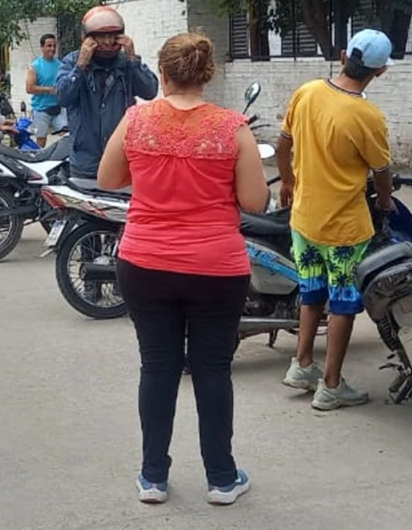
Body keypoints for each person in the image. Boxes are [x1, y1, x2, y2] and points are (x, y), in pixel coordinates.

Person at [98, 33, 269, 506]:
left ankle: (153, 477)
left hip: (146, 262)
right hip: (216, 266)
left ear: (164, 72)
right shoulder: (232, 127)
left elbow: (108, 178)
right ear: (207, 74)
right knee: (213, 370)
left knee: (158, 366)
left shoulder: (136, 121)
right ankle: (221, 478)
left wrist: (152, 172)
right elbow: (255, 201)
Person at [276, 28, 395, 411]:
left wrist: (288, 182)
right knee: (343, 302)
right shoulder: (367, 116)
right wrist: (386, 201)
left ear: (344, 56)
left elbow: (283, 145)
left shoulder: (307, 92)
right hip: (343, 228)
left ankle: (303, 363)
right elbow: (381, 170)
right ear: (380, 72)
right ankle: (331, 385)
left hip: (303, 220)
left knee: (311, 293)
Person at [57, 6, 159, 181]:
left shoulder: (127, 62)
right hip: (86, 159)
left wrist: (133, 59)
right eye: (100, 36)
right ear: (87, 38)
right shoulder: (73, 62)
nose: (106, 42)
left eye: (111, 36)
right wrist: (80, 66)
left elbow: (150, 91)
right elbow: (63, 97)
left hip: (121, 157)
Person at [26, 33, 67, 147]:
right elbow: (29, 88)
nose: (52, 49)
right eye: (49, 46)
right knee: (41, 140)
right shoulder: (35, 66)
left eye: (54, 46)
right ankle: (40, 160)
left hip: (58, 108)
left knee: (67, 134)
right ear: (42, 47)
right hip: (41, 109)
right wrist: (48, 89)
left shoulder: (60, 65)